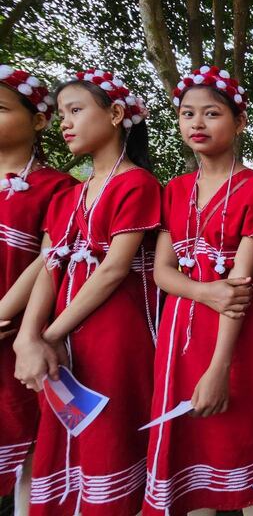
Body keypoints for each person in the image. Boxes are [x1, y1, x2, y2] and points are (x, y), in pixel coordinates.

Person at [14, 68, 160, 515]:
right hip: (62, 335)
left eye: (76, 110)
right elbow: (49, 267)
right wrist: (29, 335)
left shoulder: (137, 184)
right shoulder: (68, 197)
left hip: (115, 338)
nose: (65, 123)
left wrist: (49, 336)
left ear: (116, 114)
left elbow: (114, 269)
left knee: (109, 437)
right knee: (64, 440)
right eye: (61, 114)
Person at [144, 66, 253, 516]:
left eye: (211, 113)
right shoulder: (174, 190)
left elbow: (239, 286)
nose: (197, 123)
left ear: (239, 122)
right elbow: (161, 272)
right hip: (180, 338)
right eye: (187, 114)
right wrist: (204, 292)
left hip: (237, 341)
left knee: (242, 437)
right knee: (191, 444)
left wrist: (219, 367)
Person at [0, 66, 76, 514]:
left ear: (39, 120)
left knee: (31, 434)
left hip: (20, 330)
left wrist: (5, 312)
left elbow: (51, 255)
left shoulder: (57, 187)